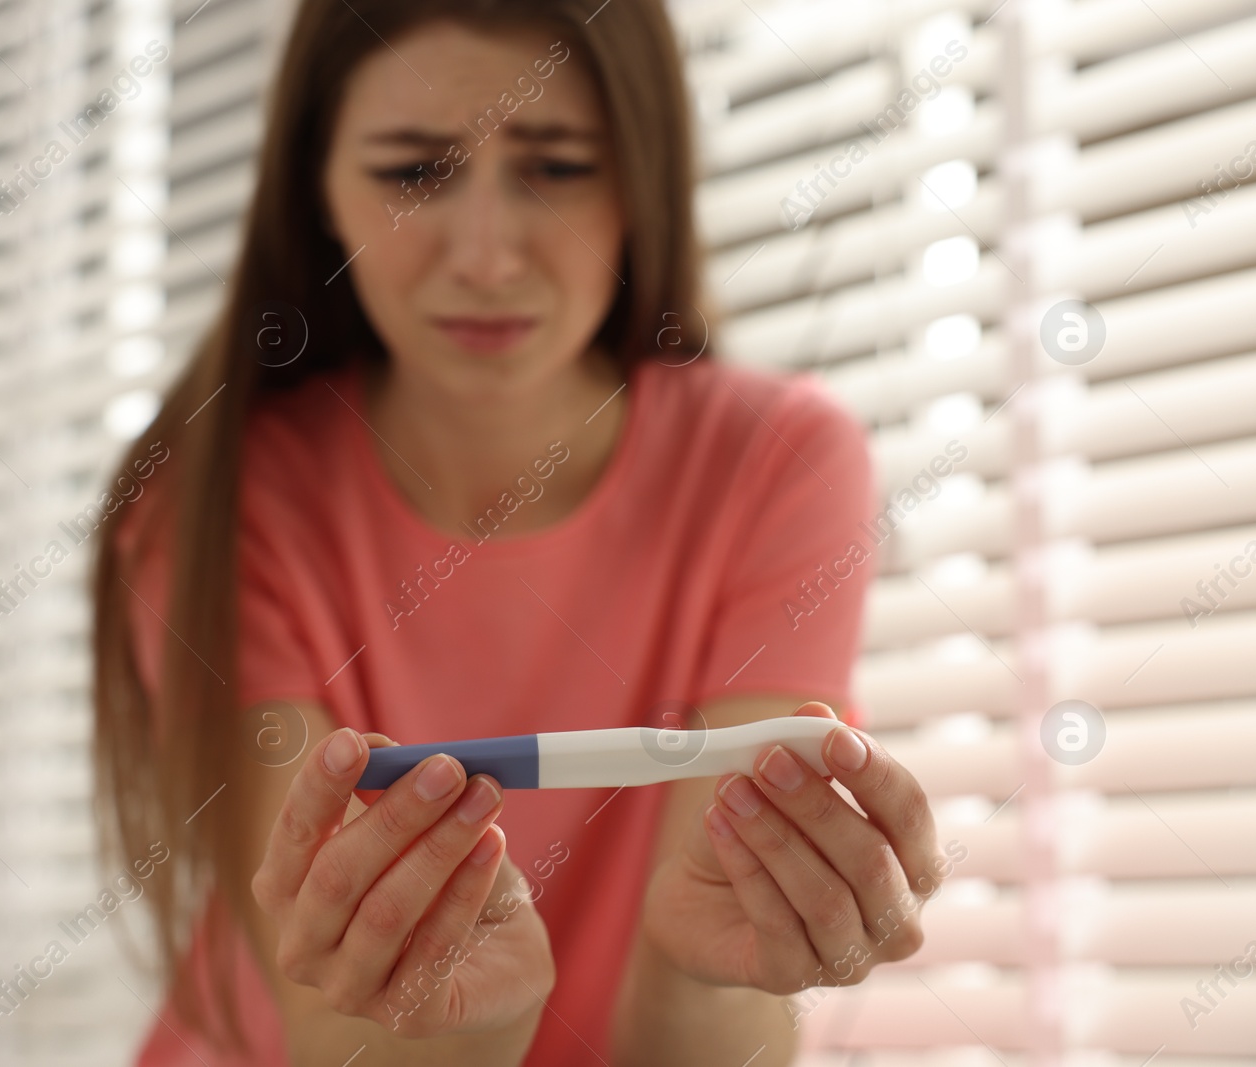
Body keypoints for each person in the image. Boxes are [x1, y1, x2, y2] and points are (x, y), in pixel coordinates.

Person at [92, 0, 944, 1063]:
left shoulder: (778, 462)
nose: (487, 257)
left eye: (557, 168)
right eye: (411, 173)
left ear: (640, 179)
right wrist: (469, 1025)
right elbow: (335, 1028)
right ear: (316, 188)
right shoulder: (213, 500)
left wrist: (703, 968)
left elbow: (710, 1013)